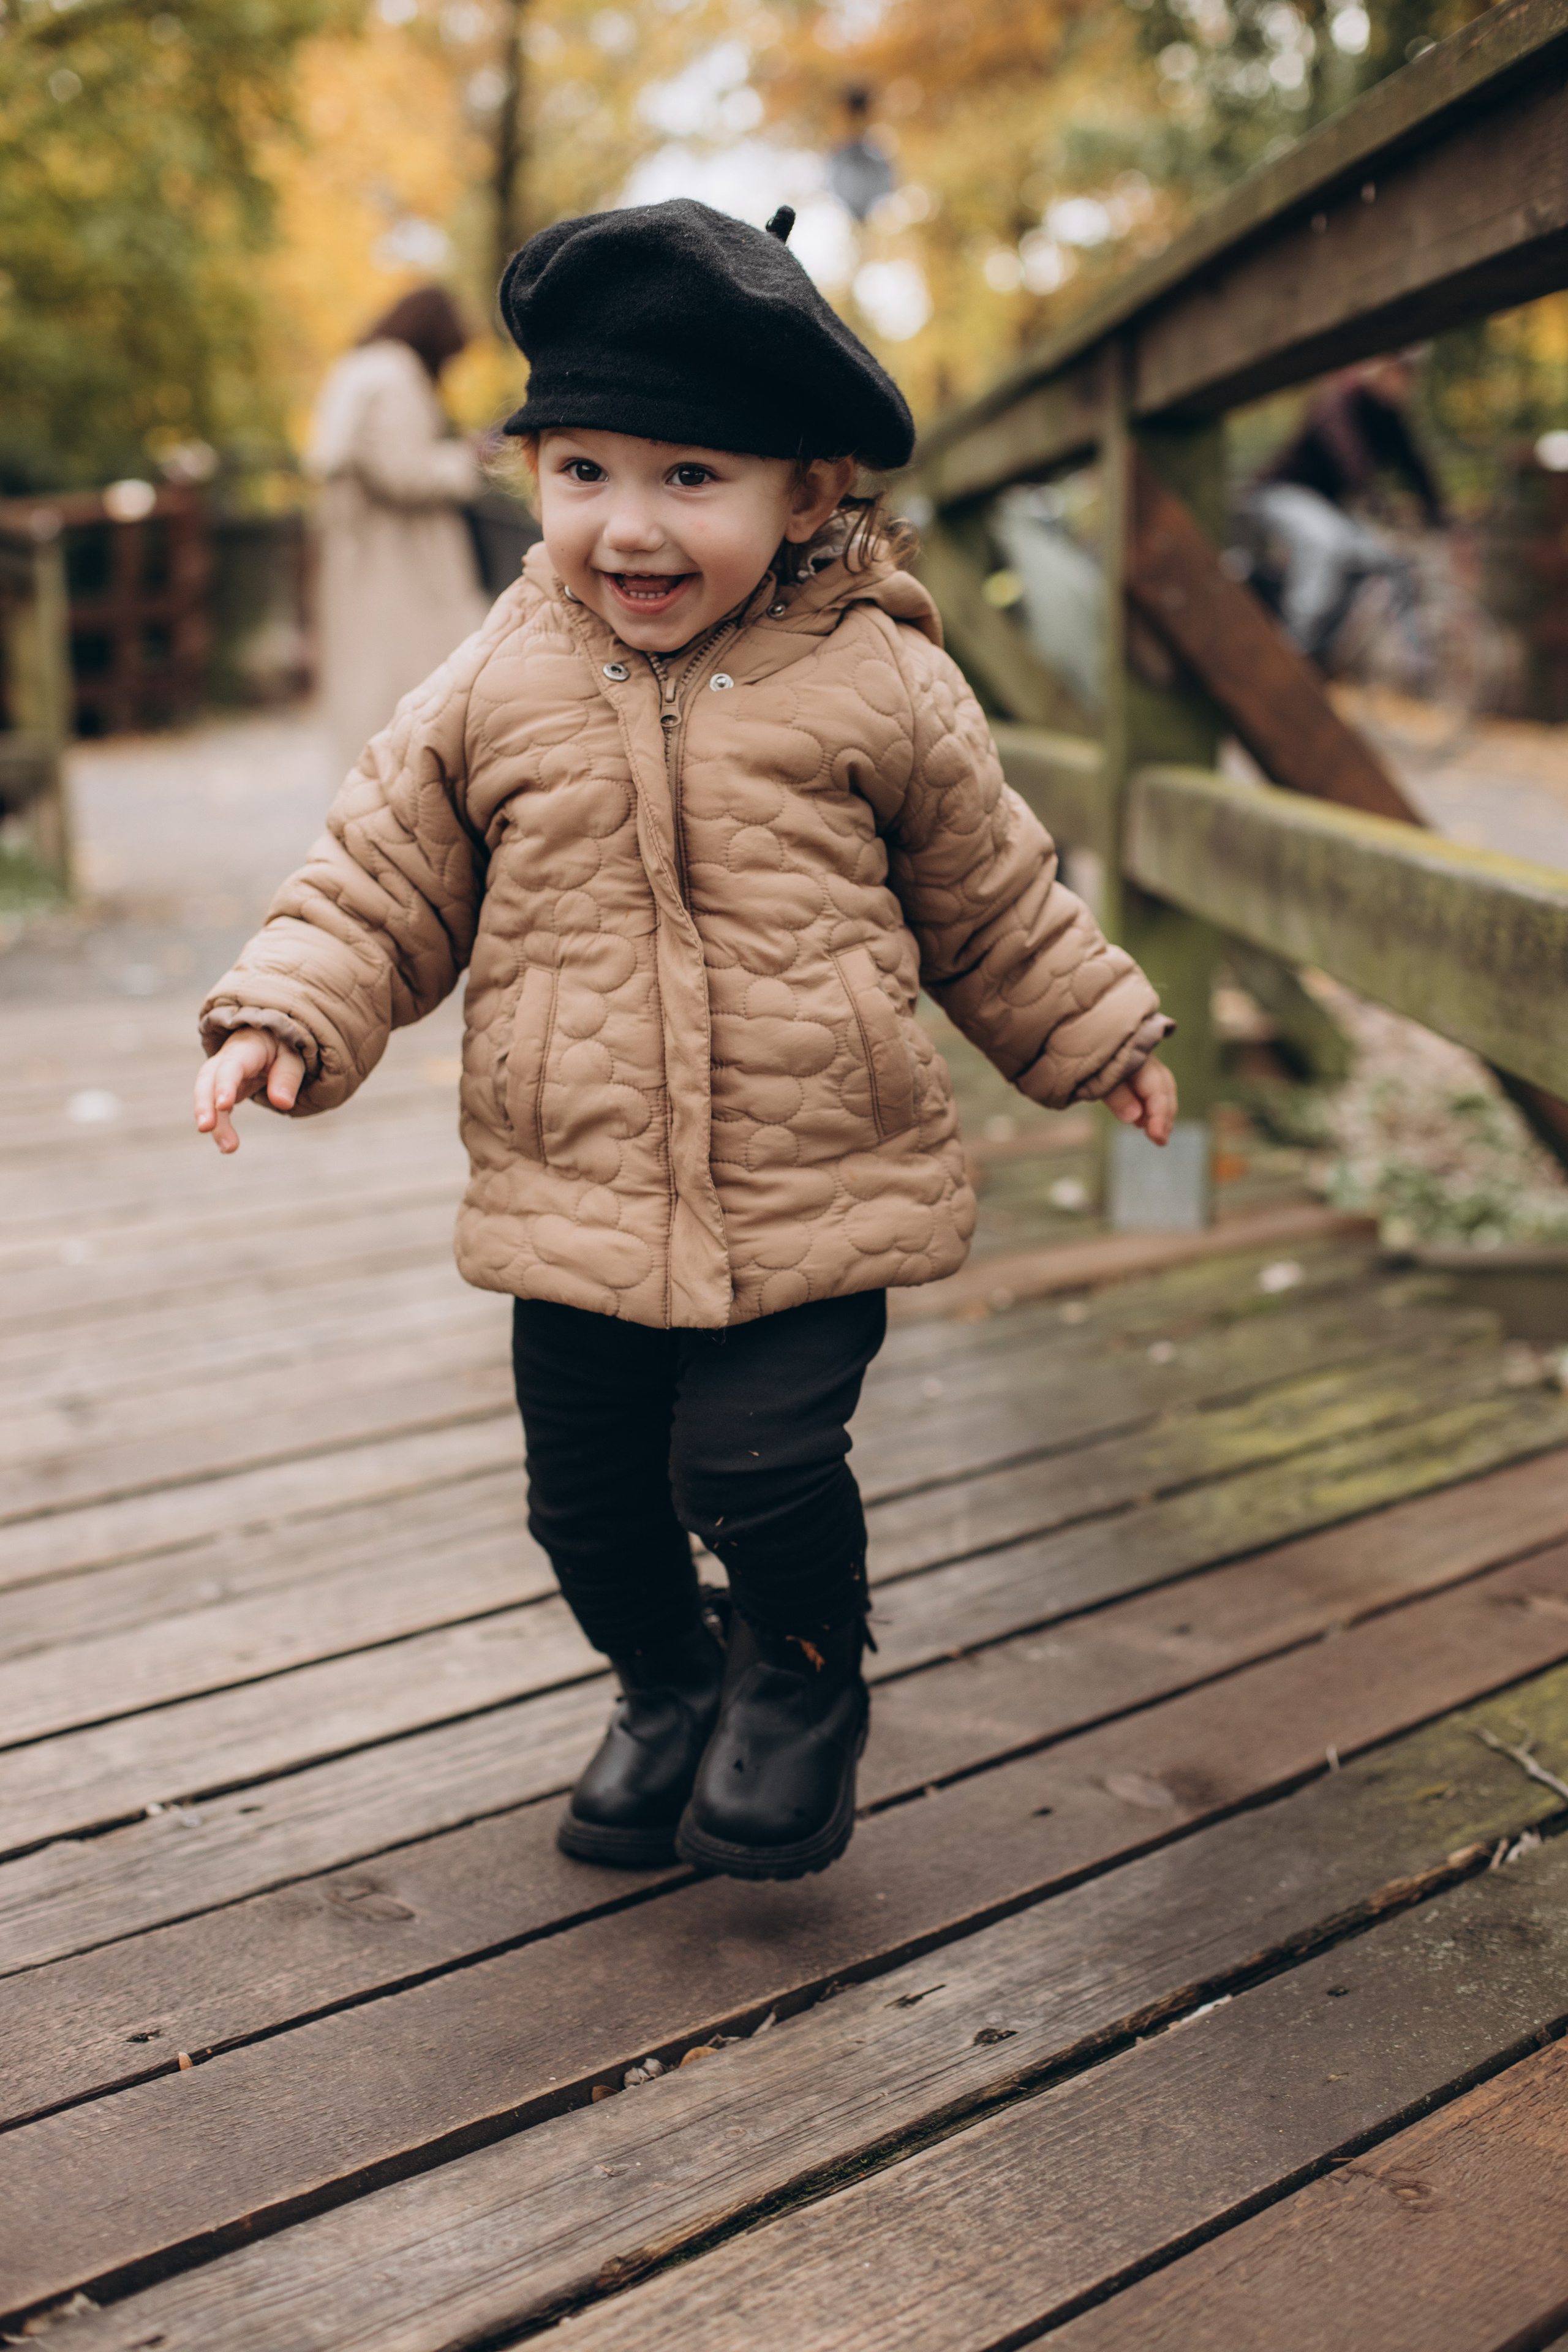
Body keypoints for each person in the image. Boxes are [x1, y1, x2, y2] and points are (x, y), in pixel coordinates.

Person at [192, 200, 1176, 1884]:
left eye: (689, 479)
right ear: (536, 480)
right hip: (576, 1185)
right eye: (584, 472)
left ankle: (797, 1678)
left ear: (811, 490)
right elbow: (380, 873)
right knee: (585, 1505)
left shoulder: (880, 680)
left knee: (758, 1463)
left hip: (812, 1176)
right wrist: (287, 1006)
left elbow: (992, 894)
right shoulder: (499, 676)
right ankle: (666, 1680)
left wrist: (1096, 1031)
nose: (628, 529)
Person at [306, 284, 491, 779]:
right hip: (399, 559)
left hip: (361, 557)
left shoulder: (358, 368)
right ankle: (405, 791)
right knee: (408, 678)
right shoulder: (396, 374)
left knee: (367, 678)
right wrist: (466, 460)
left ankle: (377, 788)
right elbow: (403, 472)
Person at [1251, 352, 1447, 662]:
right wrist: (1378, 504)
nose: (1403, 384)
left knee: (1376, 558)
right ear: (1381, 370)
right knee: (1328, 545)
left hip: (1330, 507)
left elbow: (1417, 467)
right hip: (1283, 493)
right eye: (1398, 372)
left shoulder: (1391, 418)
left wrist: (1440, 516)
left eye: (1409, 376)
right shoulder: (1339, 400)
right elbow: (1347, 455)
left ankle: (1321, 654)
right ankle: (1291, 647)